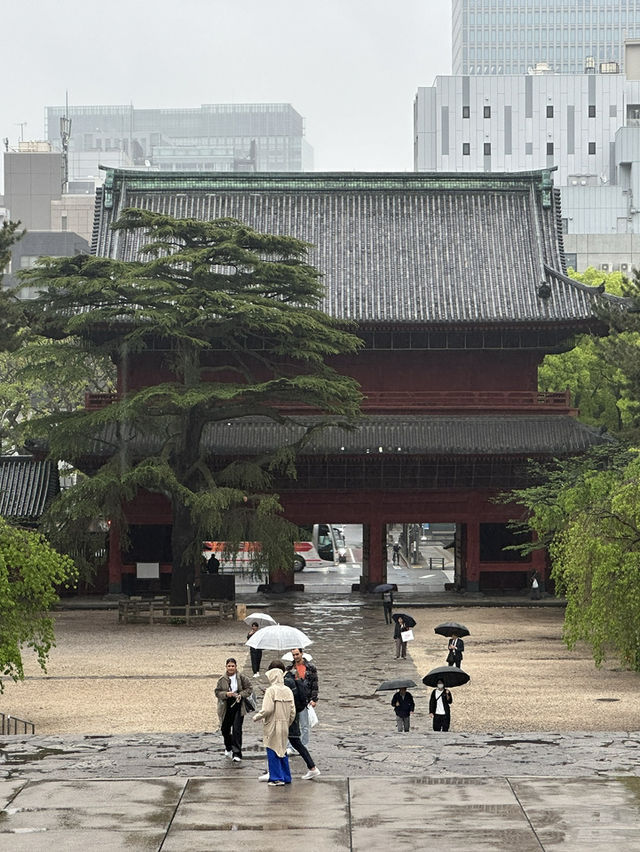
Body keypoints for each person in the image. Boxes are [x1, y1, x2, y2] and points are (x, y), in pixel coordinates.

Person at [252, 661, 296, 786]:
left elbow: (267, 709)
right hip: (284, 724)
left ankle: (276, 777)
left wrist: (257, 717)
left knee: (272, 749)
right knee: (282, 749)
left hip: (272, 724)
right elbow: (293, 711)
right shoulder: (288, 690)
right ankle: (286, 776)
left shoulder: (271, 690)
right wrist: (287, 722)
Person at [281, 666, 321, 780]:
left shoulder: (287, 682)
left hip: (288, 717)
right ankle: (312, 767)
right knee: (295, 743)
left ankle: (278, 771)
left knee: (291, 742)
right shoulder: (292, 678)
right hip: (292, 716)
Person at [214, 657, 253, 762]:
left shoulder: (242, 677)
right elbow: (217, 692)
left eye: (233, 666)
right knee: (225, 729)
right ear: (226, 667)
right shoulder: (222, 679)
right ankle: (228, 746)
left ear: (236, 667)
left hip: (238, 705)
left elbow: (249, 688)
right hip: (226, 705)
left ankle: (237, 753)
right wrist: (226, 694)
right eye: (229, 666)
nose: (231, 668)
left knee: (236, 729)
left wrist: (240, 694)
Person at [285, 648, 319, 746]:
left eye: (297, 654)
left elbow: (314, 684)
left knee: (304, 725)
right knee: (292, 724)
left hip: (305, 700)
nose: (295, 657)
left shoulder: (310, 667)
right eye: (294, 655)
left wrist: (314, 699)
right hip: (293, 699)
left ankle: (304, 746)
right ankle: (291, 745)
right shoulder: (289, 668)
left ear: (301, 653)